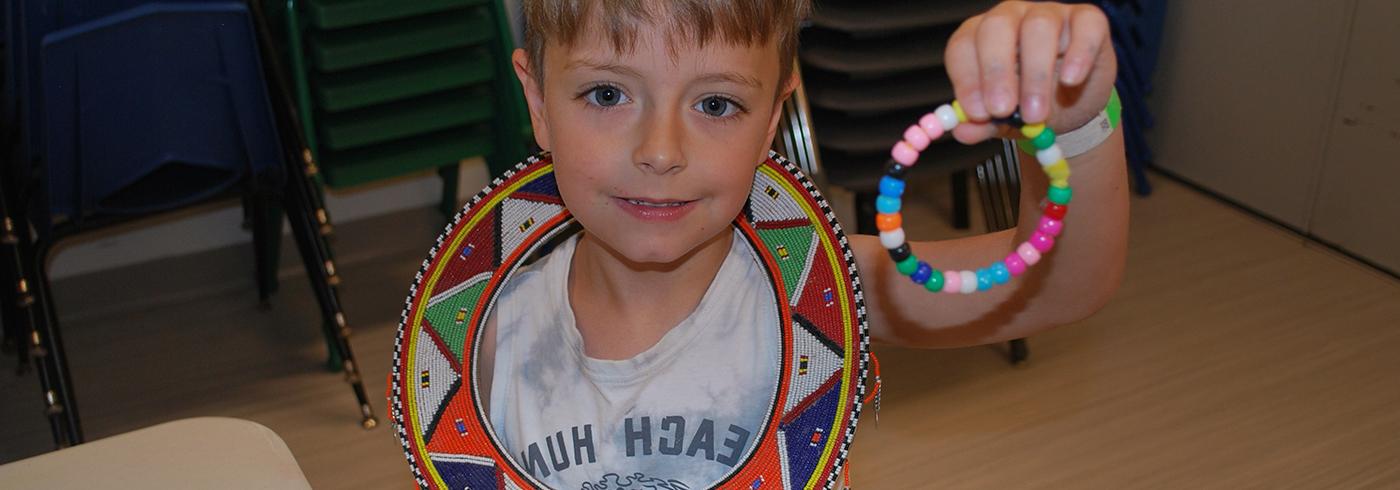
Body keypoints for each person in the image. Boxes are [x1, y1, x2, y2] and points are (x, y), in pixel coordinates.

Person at [480, 1, 1128, 487]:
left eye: (715, 104)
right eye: (607, 93)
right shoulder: (483, 341)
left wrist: (1075, 122)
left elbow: (1070, 283)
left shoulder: (823, 287)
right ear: (537, 100)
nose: (660, 151)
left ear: (772, 119)